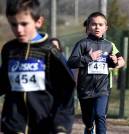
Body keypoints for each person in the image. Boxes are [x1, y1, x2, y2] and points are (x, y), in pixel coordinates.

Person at [0, 0, 75, 133]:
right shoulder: (9, 50)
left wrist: (61, 126)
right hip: (14, 126)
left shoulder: (50, 52)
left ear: (38, 22)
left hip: (43, 125)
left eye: (24, 24)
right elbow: (4, 82)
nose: (18, 29)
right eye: (13, 24)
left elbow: (65, 92)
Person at [68, 12, 125, 134]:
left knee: (100, 116)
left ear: (106, 28)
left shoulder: (109, 45)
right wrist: (89, 58)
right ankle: (89, 128)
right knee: (88, 119)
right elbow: (71, 62)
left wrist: (114, 62)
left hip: (102, 89)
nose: (97, 27)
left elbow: (118, 61)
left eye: (100, 24)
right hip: (85, 89)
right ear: (88, 27)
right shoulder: (82, 44)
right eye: (94, 24)